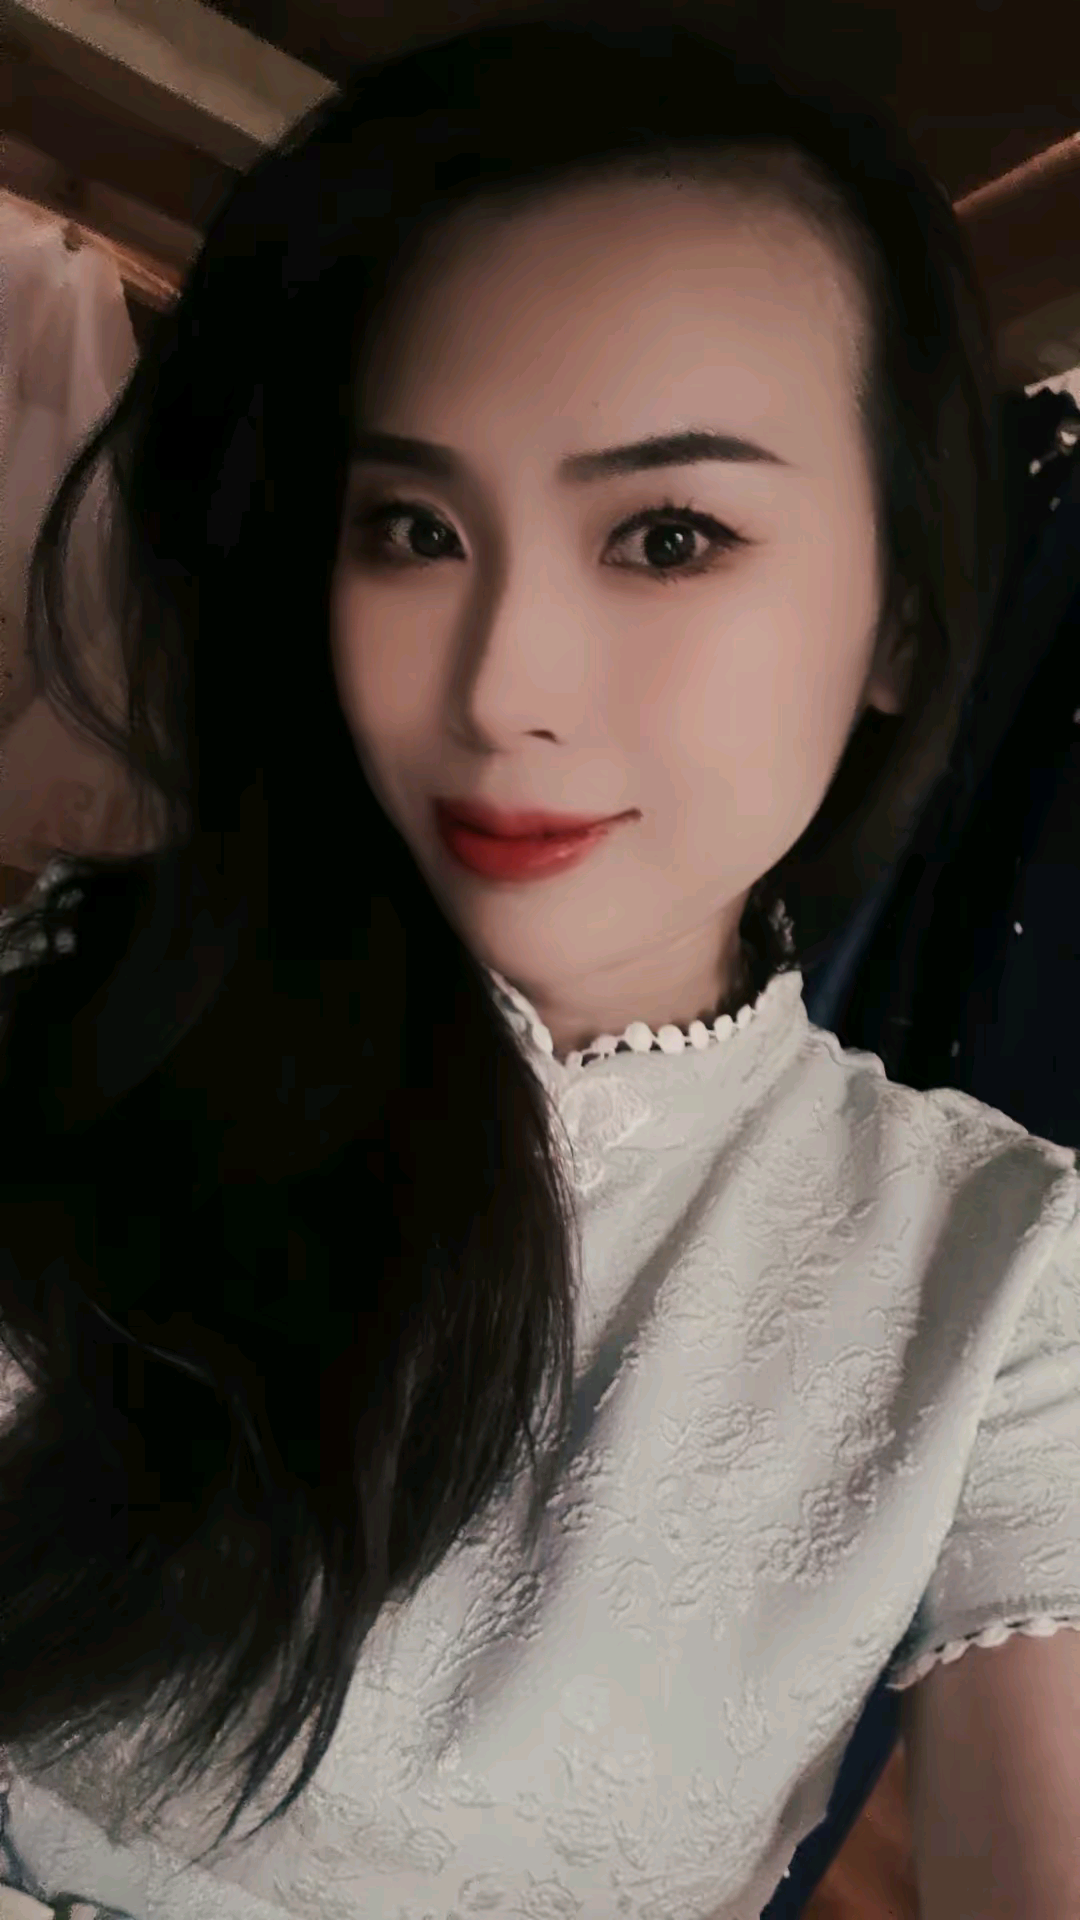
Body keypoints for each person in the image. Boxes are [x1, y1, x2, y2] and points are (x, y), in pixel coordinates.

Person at [0, 7, 1078, 1917]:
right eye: (413, 527)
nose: (501, 688)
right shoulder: (89, 1010)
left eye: (666, 537)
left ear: (903, 619)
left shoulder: (995, 1277)